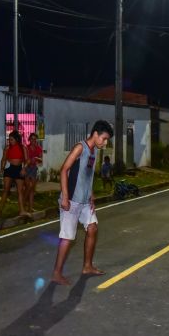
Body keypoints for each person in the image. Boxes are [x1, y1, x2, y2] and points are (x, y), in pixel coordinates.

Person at [51, 120, 114, 285]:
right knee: (67, 237)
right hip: (72, 200)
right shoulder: (80, 147)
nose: (105, 143)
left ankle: (87, 266)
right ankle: (57, 273)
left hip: (85, 201)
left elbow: (88, 174)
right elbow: (64, 170)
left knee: (92, 228)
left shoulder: (94, 151)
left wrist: (91, 194)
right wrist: (65, 197)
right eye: (104, 139)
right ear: (95, 134)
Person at [0, 131, 29, 217]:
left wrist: (24, 168)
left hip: (19, 170)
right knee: (6, 190)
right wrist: (2, 169)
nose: (10, 141)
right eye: (9, 139)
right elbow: (3, 159)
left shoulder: (23, 148)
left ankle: (22, 211)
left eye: (11, 139)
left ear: (16, 139)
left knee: (20, 191)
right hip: (9, 169)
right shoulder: (7, 148)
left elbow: (27, 160)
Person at [24, 133, 43, 213]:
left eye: (35, 139)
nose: (33, 140)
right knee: (28, 187)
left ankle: (30, 208)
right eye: (32, 139)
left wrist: (36, 158)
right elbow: (25, 159)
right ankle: (23, 201)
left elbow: (41, 160)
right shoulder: (26, 148)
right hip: (27, 168)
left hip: (34, 169)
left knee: (32, 189)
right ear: (29, 139)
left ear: (36, 140)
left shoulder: (39, 148)